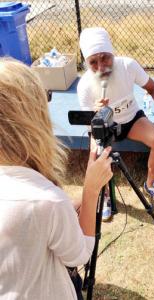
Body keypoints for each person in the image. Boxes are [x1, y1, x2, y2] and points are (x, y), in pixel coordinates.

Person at [0, 58, 113, 299]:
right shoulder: (46, 201)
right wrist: (91, 190)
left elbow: (23, 226)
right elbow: (80, 254)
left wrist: (69, 205)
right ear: (29, 117)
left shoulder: (41, 202)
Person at [77, 27, 154, 219]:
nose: (101, 66)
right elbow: (90, 126)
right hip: (103, 127)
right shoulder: (84, 86)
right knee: (95, 158)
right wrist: (96, 113)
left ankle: (150, 184)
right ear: (86, 63)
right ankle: (104, 195)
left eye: (105, 58)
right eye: (93, 62)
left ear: (113, 53)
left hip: (131, 119)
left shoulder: (128, 66)